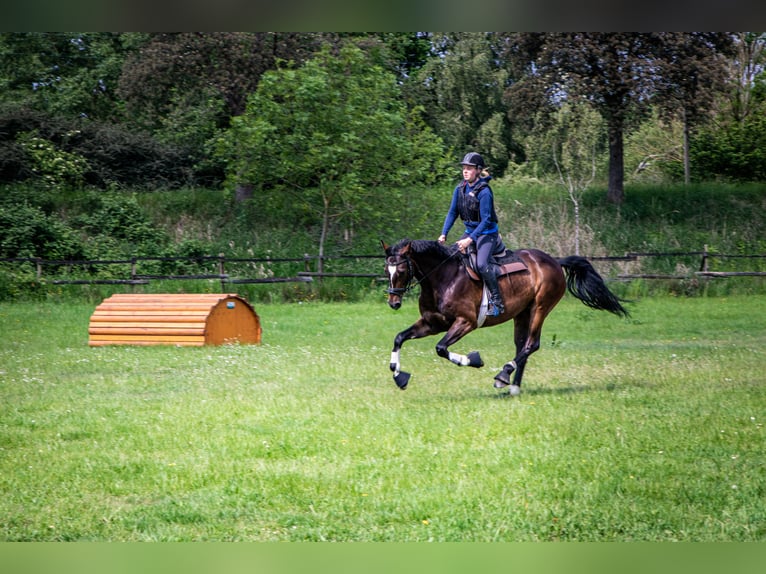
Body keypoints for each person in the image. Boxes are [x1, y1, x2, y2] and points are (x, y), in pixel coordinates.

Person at [438, 152, 505, 316]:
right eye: (464, 168)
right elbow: (452, 212)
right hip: (470, 233)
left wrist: (469, 240)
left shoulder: (485, 192)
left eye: (469, 168)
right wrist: (444, 233)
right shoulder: (459, 189)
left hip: (487, 234)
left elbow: (486, 220)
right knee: (450, 257)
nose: (465, 171)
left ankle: (497, 302)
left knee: (481, 265)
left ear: (478, 170)